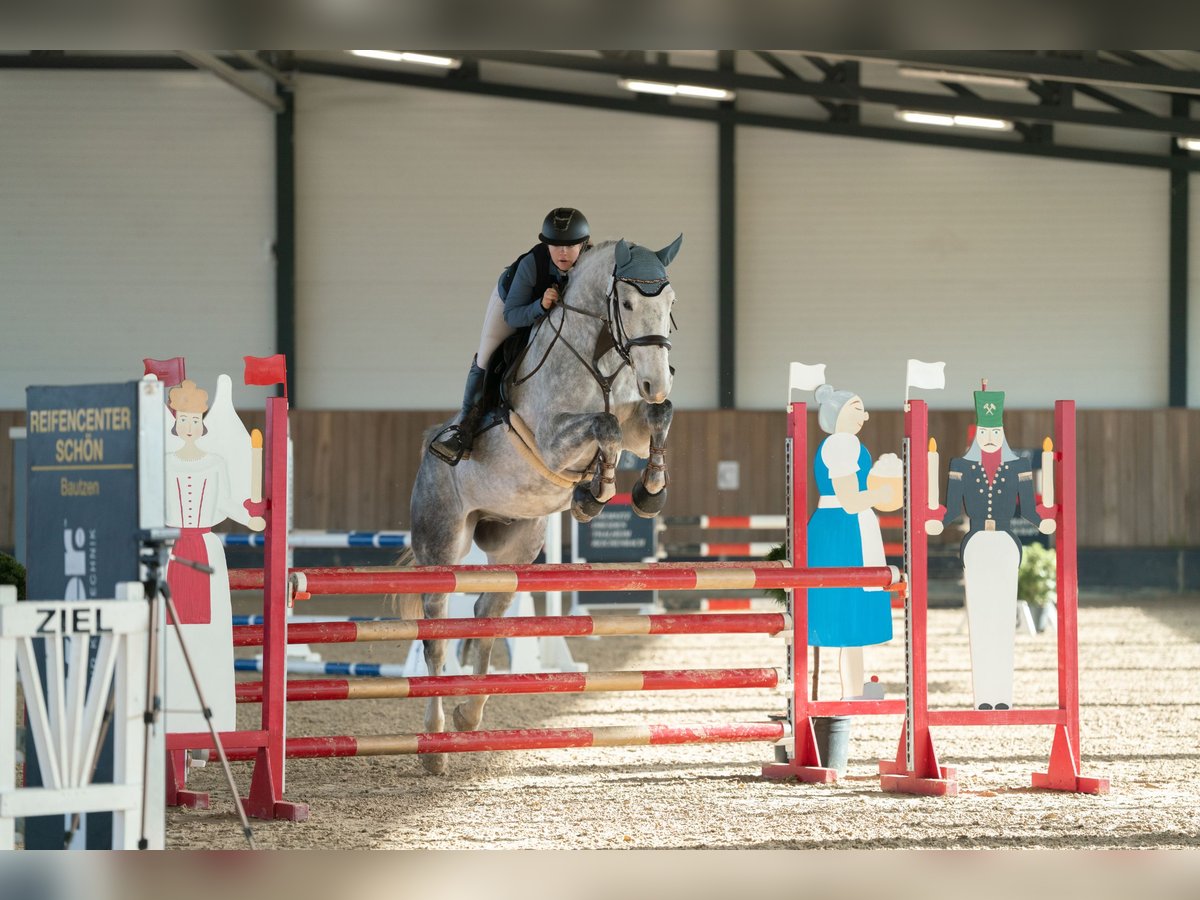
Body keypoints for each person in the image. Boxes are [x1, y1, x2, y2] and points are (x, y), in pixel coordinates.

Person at [926, 380, 1055, 710]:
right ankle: (984, 697)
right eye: (985, 432)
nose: (990, 438)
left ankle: (1003, 697)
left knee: (1002, 618)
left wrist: (1044, 520)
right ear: (977, 434)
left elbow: (1027, 509)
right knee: (980, 618)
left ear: (1002, 432)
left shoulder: (1019, 467)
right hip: (976, 542)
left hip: (1006, 543)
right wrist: (937, 520)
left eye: (995, 431)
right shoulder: (961, 467)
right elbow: (952, 509)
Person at [430, 207, 591, 464]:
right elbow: (513, 316)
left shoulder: (590, 265)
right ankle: (463, 430)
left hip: (554, 316)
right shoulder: (532, 264)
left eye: (570, 246)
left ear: (584, 245)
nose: (562, 252)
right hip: (513, 304)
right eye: (555, 245)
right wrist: (539, 306)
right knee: (486, 356)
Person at [807, 384, 899, 699]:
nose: (864, 416)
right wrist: (881, 492)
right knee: (848, 605)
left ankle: (856, 689)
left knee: (851, 610)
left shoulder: (844, 444)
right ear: (839, 414)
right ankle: (853, 690)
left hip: (845, 525)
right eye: (857, 409)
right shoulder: (842, 444)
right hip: (843, 527)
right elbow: (848, 499)